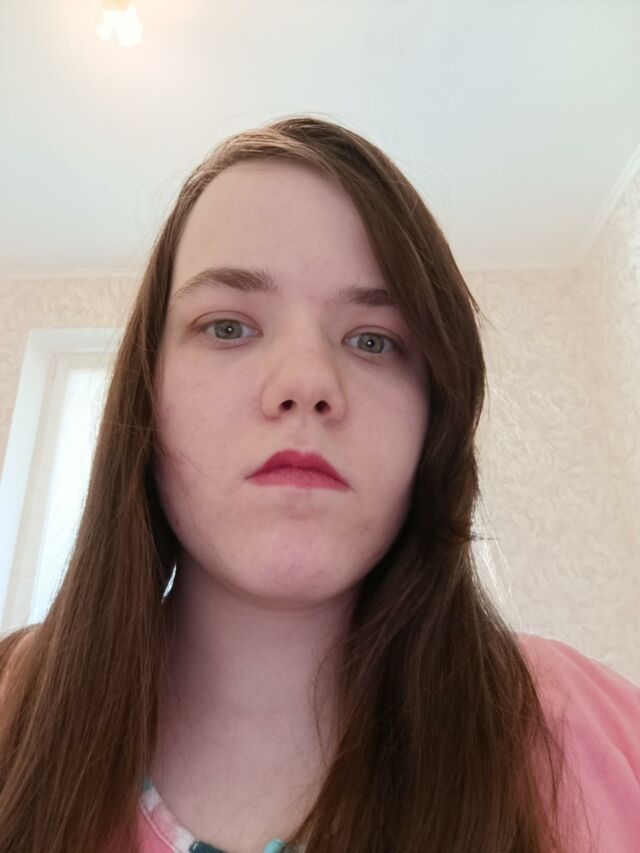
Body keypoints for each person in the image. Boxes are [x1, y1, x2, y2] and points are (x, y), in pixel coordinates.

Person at [0, 115, 638, 853]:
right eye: (228, 327)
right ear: (147, 391)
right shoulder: (15, 710)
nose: (306, 382)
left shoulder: (597, 733)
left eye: (373, 340)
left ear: (435, 416)